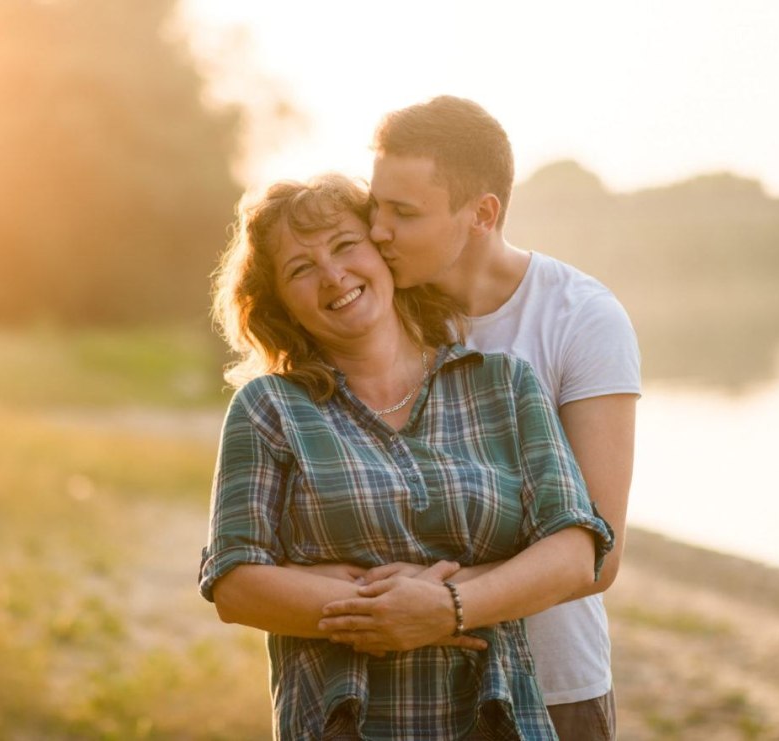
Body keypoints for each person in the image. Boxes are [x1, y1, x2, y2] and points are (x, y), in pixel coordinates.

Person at [199, 172, 614, 739]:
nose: (333, 274)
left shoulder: (503, 385)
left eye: (345, 245)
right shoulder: (268, 408)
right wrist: (390, 613)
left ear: (383, 254)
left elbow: (574, 553)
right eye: (301, 268)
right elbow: (236, 583)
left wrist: (447, 606)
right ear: (281, 306)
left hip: (497, 721)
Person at [319, 96, 641, 739]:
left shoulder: (581, 318)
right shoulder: (373, 311)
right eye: (375, 206)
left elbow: (598, 556)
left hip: (550, 688)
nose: (377, 231)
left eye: (403, 213)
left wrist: (443, 603)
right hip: (392, 691)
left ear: (482, 214)